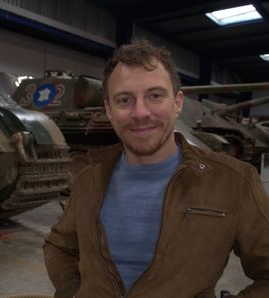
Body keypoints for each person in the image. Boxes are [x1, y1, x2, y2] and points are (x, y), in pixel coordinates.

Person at [43, 39, 269, 297]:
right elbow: (59, 246)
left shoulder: (233, 182)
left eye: (155, 96)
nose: (140, 113)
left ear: (178, 102)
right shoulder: (89, 179)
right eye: (124, 99)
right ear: (108, 110)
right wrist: (73, 291)